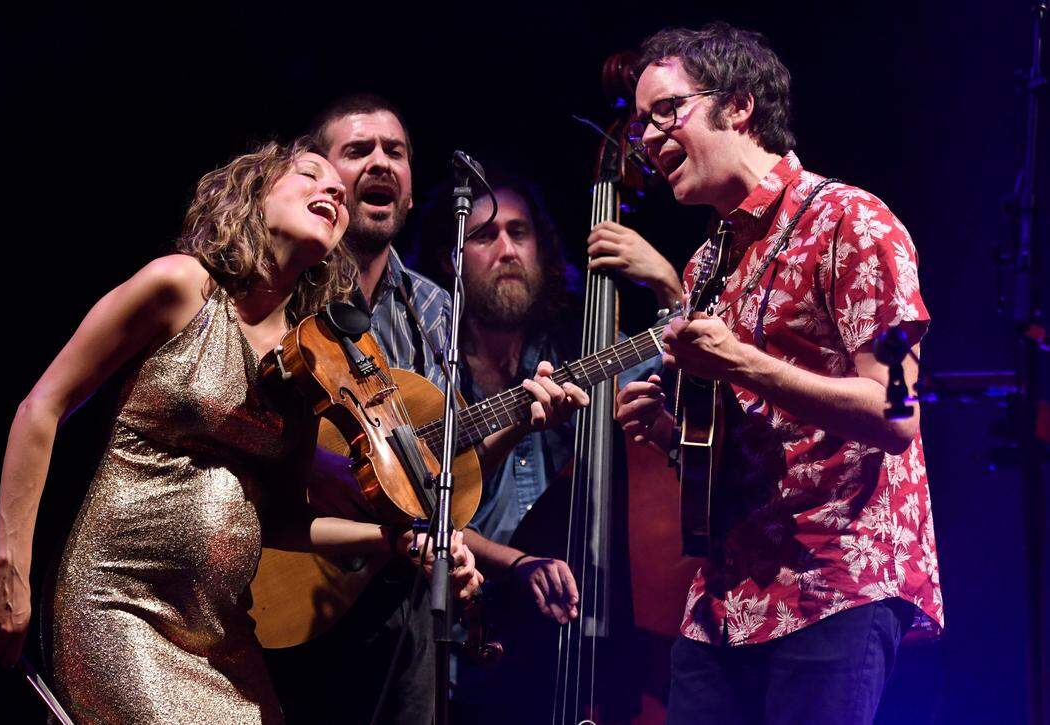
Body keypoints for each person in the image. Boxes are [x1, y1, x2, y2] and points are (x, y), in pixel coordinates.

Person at [0, 138, 481, 723]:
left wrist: (395, 541)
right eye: (310, 175)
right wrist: (10, 568)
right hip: (118, 609)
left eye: (336, 192)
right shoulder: (181, 287)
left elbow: (284, 518)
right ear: (253, 194)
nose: (334, 190)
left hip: (223, 639)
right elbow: (41, 407)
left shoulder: (308, 362)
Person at [613, 22, 943, 724]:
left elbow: (896, 410)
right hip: (727, 597)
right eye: (641, 121)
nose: (646, 136)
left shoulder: (852, 221)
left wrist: (741, 361)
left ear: (738, 106)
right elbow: (749, 446)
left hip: (835, 582)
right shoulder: (706, 267)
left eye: (666, 110)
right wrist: (677, 436)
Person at [266, 96, 587, 724]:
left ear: (410, 193)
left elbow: (444, 476)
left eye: (396, 152)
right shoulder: (285, 284)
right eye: (358, 151)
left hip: (407, 602)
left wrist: (517, 421)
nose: (381, 162)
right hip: (302, 575)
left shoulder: (434, 306)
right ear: (319, 178)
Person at [413, 169, 670, 722]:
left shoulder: (587, 354)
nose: (506, 249)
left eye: (519, 232)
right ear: (448, 261)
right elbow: (416, 511)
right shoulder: (427, 374)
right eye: (484, 236)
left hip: (580, 647)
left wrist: (668, 286)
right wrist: (517, 564)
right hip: (466, 651)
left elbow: (687, 366)